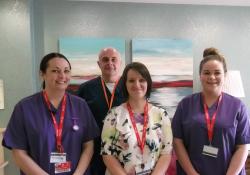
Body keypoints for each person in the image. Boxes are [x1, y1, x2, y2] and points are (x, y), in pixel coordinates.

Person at [2, 52, 99, 175]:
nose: (62, 76)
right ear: (42, 74)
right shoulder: (24, 108)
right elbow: (18, 152)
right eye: (55, 71)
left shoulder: (80, 105)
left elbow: (88, 146)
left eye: (66, 71)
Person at [172, 47, 250, 175]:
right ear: (200, 75)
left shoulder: (238, 107)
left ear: (225, 75)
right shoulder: (185, 104)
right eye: (206, 73)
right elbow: (177, 142)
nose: (212, 77)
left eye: (217, 73)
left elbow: (243, 146)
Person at [101, 62, 173, 175]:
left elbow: (166, 153)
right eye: (131, 80)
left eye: (142, 80)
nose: (137, 84)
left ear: (148, 83)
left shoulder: (161, 115)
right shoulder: (114, 115)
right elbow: (107, 154)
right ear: (125, 84)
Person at [77, 47, 125, 175]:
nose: (110, 63)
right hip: (94, 150)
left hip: (124, 151)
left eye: (114, 59)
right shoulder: (85, 89)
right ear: (99, 64)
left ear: (120, 63)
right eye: (105, 59)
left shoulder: (129, 87)